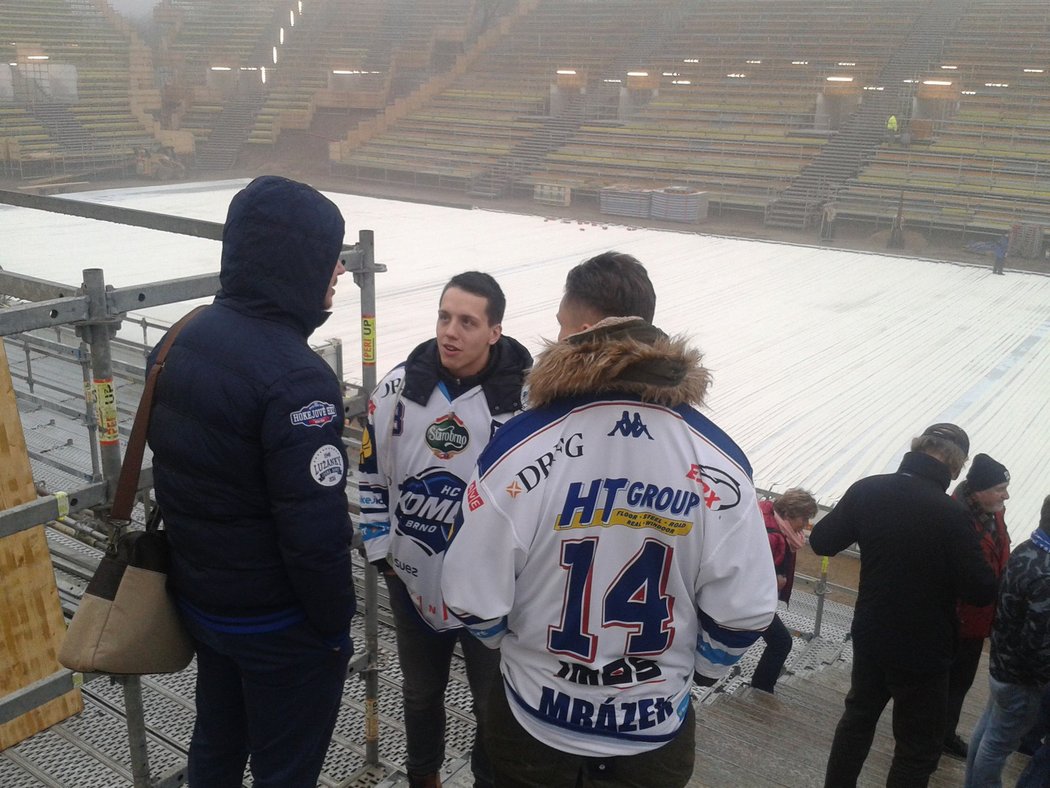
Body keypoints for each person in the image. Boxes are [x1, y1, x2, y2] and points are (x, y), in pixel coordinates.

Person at [440, 251, 778, 787]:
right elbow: (745, 613)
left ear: (582, 327)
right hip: (652, 736)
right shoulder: (721, 462)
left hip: (533, 722)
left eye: (559, 324)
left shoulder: (519, 447)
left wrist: (520, 648)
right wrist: (692, 672)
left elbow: (470, 596)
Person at [147, 176, 356, 786]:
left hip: (205, 604)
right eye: (329, 256)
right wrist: (332, 628)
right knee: (284, 769)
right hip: (276, 625)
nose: (339, 271)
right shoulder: (298, 381)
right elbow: (313, 535)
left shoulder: (184, 336)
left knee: (215, 744)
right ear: (298, 263)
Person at [358, 271, 532, 788]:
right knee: (419, 693)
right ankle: (422, 777)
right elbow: (370, 475)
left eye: (467, 322)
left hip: (494, 591)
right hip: (412, 581)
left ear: (494, 332)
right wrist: (381, 551)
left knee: (490, 702)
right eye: (444, 317)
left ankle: (486, 779)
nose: (450, 332)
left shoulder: (529, 402)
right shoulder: (394, 390)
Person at [809, 423, 996, 788]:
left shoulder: (868, 489)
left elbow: (822, 541)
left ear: (918, 447)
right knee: (916, 748)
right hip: (925, 648)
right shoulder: (952, 514)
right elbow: (981, 590)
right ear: (955, 465)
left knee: (858, 719)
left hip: (871, 632)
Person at [964, 494, 1050, 788]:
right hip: (1022, 679)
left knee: (988, 730)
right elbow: (1038, 642)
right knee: (998, 744)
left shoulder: (1028, 550)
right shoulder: (1047, 573)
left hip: (1001, 663)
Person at [943, 453, 1011, 759]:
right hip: (951, 616)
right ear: (980, 489)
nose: (1005, 495)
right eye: (1000, 488)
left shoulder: (994, 514)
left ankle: (944, 733)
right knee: (940, 680)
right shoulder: (953, 514)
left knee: (960, 682)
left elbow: (1001, 553)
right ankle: (928, 735)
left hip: (978, 617)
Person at [750, 488, 819, 694]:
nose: (805, 525)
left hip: (755, 599)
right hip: (751, 601)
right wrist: (775, 582)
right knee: (781, 642)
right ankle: (761, 689)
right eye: (804, 518)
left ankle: (761, 686)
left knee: (779, 641)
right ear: (788, 514)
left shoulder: (771, 524)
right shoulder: (774, 537)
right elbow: (749, 571)